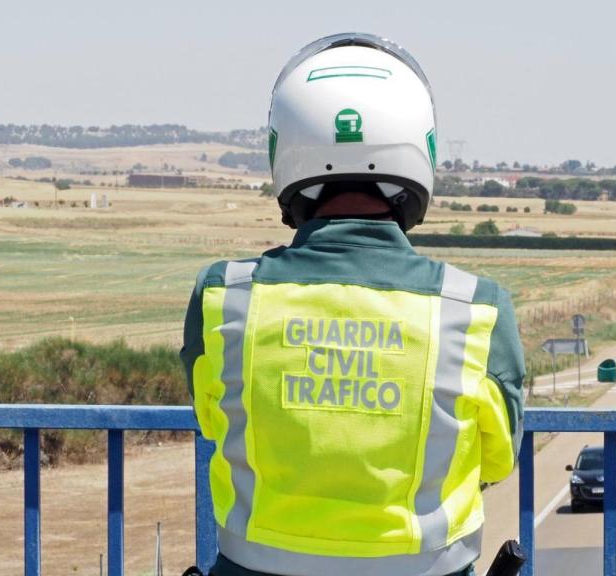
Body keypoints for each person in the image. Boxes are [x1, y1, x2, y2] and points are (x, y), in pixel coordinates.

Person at [180, 33, 525, 576]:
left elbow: (212, 419)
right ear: (421, 150)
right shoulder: (474, 308)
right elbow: (499, 459)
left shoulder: (225, 297)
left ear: (284, 151)